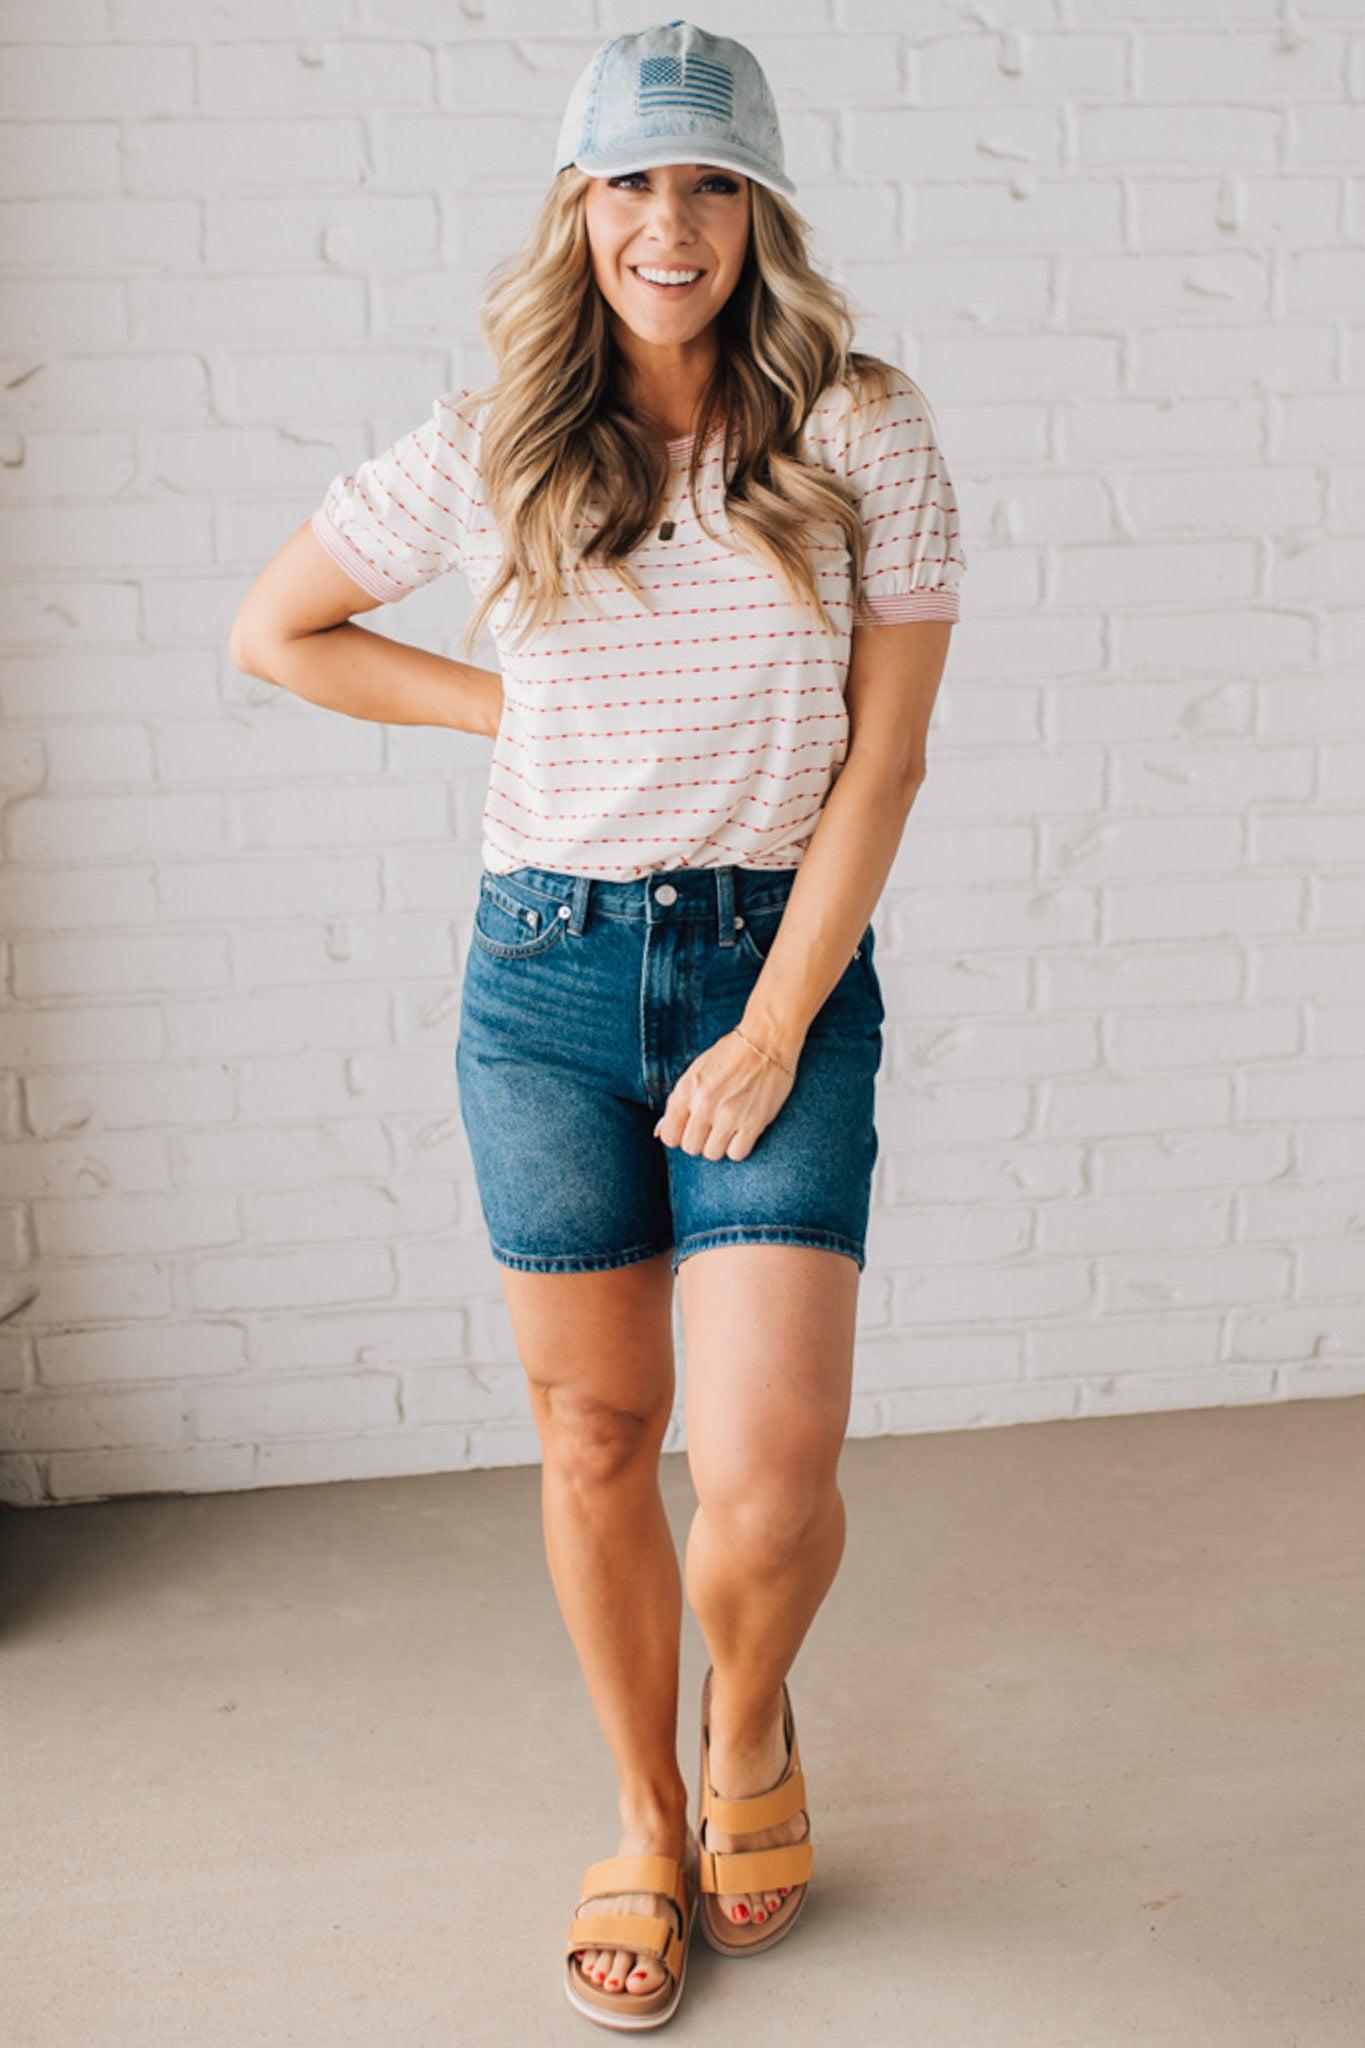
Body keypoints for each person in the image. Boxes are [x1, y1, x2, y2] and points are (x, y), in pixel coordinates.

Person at [230, 18, 965, 2031]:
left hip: (773, 971)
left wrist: (777, 1014)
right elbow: (272, 628)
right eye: (631, 182)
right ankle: (645, 1806)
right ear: (579, 208)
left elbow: (882, 770)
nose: (669, 221)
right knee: (592, 1435)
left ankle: (747, 1723)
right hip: (542, 981)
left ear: (759, 210)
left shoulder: (862, 428)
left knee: (765, 1473)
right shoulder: (494, 439)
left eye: (707, 181)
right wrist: (508, 711)